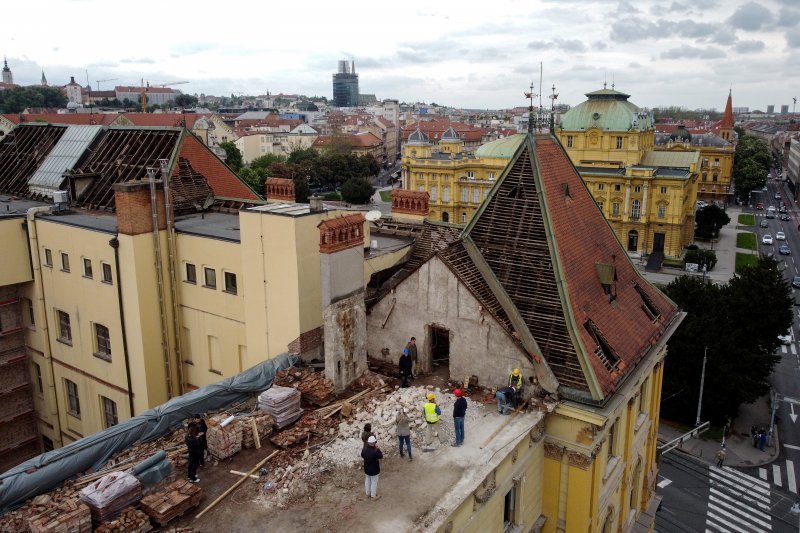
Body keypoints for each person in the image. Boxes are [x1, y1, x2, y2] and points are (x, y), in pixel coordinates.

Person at [361, 435, 383, 500]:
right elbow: (381, 456)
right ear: (374, 443)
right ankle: (373, 496)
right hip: (374, 470)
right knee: (374, 482)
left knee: (367, 480)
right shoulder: (375, 451)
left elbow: (362, 455)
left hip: (367, 468)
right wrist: (378, 449)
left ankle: (368, 493)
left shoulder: (364, 449)